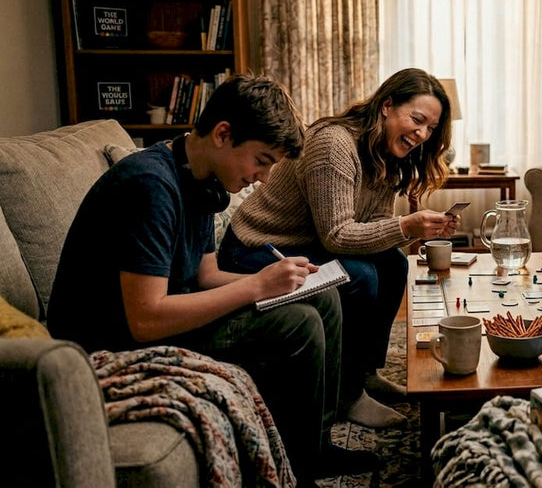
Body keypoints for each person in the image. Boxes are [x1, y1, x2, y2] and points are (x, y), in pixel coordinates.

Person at [46, 75, 378, 483]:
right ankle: (299, 469)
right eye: (262, 160)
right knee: (298, 323)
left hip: (164, 315)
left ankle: (315, 446)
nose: (264, 178)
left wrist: (277, 278)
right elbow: (145, 319)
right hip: (112, 343)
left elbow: (206, 275)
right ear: (223, 134)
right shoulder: (150, 185)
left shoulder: (200, 179)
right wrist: (256, 286)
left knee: (321, 299)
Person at [217, 67, 457, 429]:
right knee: (357, 276)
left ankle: (363, 373)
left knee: (393, 263)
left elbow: (374, 224)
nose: (422, 134)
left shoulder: (385, 153)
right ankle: (346, 395)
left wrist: (412, 230)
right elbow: (338, 236)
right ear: (387, 106)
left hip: (306, 243)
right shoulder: (334, 145)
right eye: (417, 120)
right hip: (256, 249)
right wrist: (405, 225)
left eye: (430, 129)